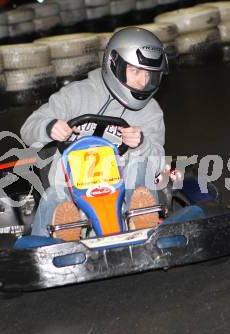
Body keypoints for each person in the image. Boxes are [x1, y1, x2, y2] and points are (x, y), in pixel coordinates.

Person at [20, 27, 168, 240]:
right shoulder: (76, 95)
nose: (143, 82)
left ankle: (141, 219)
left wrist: (142, 143)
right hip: (72, 189)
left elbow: (158, 162)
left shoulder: (150, 111)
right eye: (136, 71)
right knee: (55, 196)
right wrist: (49, 126)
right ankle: (60, 233)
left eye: (149, 74)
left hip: (124, 192)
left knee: (140, 165)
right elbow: (28, 129)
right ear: (114, 64)